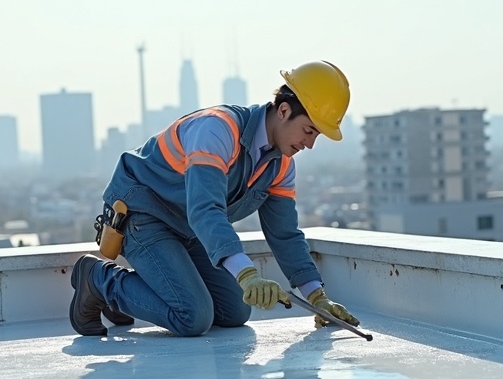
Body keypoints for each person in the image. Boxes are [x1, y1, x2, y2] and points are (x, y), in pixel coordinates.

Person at [69, 60, 361, 337]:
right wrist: (247, 274)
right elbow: (206, 210)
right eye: (309, 130)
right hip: (143, 213)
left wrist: (317, 297)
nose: (309, 144)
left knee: (235, 312)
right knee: (192, 316)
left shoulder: (281, 164)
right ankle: (98, 279)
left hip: (188, 226)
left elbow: (284, 234)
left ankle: (138, 289)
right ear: (284, 110)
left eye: (317, 136)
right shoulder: (218, 130)